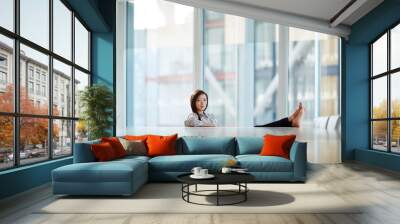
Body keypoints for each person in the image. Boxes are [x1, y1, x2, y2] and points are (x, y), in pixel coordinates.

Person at [184, 89, 304, 127]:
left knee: (262, 128)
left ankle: (290, 120)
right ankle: (290, 121)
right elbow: (192, 123)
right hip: (224, 137)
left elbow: (214, 124)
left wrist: (210, 124)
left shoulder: (209, 115)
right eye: (199, 100)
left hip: (225, 135)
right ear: (193, 102)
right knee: (261, 129)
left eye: (204, 100)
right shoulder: (191, 117)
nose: (202, 103)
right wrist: (210, 125)